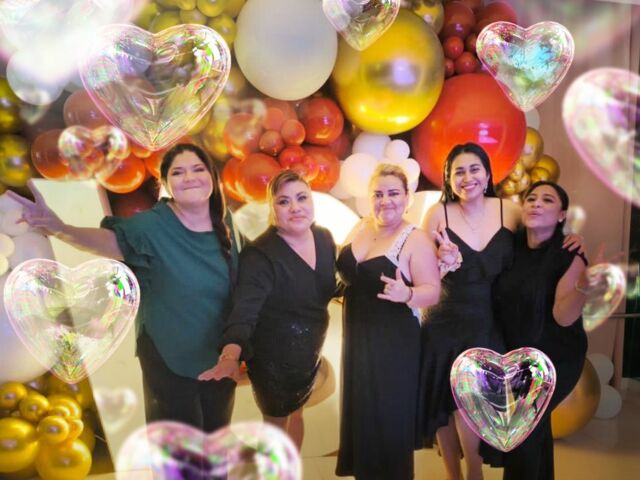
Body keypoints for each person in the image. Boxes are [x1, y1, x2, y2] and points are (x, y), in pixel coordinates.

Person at [9, 143, 238, 432]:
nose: (189, 177)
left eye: (197, 169)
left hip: (219, 353)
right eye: (178, 172)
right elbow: (108, 241)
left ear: (212, 176)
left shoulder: (225, 222)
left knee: (216, 436)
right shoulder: (152, 226)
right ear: (166, 184)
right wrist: (59, 228)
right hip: (170, 356)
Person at [199, 170, 337, 449]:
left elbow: (324, 288)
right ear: (273, 210)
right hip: (274, 363)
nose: (295, 207)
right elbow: (244, 313)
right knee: (276, 431)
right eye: (284, 201)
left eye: (302, 198)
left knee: (297, 414)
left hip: (309, 357)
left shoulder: (324, 238)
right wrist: (230, 356)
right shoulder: (261, 255)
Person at [419, 143, 520, 480]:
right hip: (443, 320)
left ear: (488, 174)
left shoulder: (510, 211)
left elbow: (538, 246)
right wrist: (441, 264)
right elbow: (421, 272)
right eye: (458, 172)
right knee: (444, 404)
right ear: (449, 179)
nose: (467, 177)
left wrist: (572, 241)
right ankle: (454, 475)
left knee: (473, 401)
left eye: (474, 169)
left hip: (488, 321)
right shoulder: (438, 215)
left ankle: (473, 471)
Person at [335, 164, 441, 479]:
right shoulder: (361, 227)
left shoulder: (416, 238)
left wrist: (407, 293)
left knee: (389, 422)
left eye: (393, 193)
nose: (385, 201)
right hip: (358, 340)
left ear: (407, 197)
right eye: (378, 194)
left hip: (394, 344)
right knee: (364, 418)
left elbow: (432, 291)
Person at [493, 181, 589, 480]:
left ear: (561, 215)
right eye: (531, 198)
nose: (536, 203)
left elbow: (563, 316)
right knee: (534, 432)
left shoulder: (570, 253)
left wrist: (584, 287)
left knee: (522, 432)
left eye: (547, 200)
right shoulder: (510, 247)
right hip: (517, 356)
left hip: (556, 358)